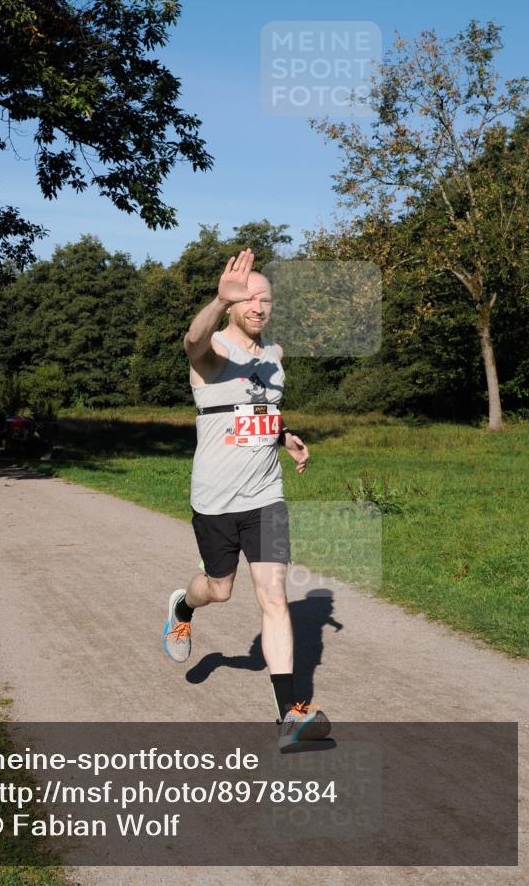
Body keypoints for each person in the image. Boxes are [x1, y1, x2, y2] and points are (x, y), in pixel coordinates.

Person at [162, 248, 331, 751]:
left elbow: (261, 409)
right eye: (248, 298)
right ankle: (182, 609)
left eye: (266, 299)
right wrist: (218, 300)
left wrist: (285, 436)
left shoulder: (274, 355)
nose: (258, 306)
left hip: (265, 497)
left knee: (275, 596)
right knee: (219, 590)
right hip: (215, 500)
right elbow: (191, 341)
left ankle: (289, 716)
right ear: (234, 304)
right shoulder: (213, 350)